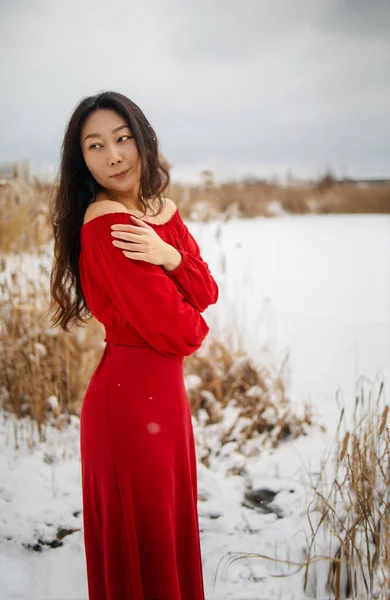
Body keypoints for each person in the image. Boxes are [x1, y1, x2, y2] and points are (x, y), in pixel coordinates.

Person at [48, 90, 219, 600]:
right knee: (144, 553)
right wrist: (180, 283)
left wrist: (168, 255)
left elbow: (206, 291)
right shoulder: (109, 228)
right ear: (82, 160)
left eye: (123, 139)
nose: (114, 155)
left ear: (143, 140)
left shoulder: (158, 213)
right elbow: (184, 331)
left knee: (166, 541)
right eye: (95, 146)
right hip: (129, 407)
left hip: (164, 404)